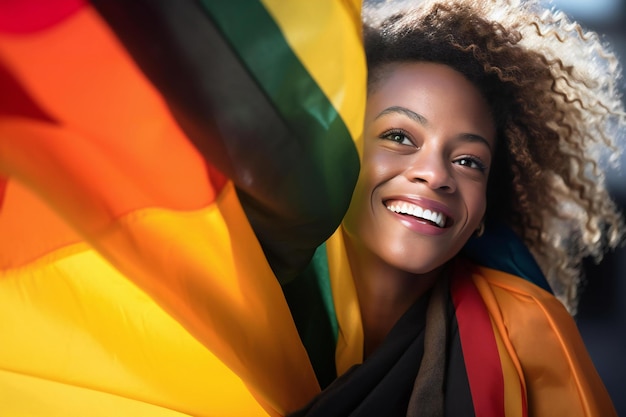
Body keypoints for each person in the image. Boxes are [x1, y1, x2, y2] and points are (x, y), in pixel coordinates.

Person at [281, 0, 625, 415]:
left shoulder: (527, 336)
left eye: (468, 161)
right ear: (340, 152)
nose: (435, 174)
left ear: (484, 208)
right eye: (399, 136)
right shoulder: (241, 285)